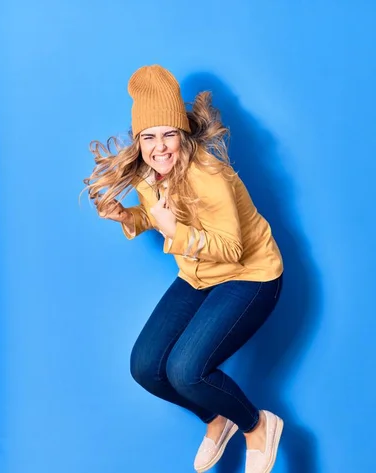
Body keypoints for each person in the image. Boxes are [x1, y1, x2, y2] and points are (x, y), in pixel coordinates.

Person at [83, 65, 284, 473]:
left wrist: (177, 230)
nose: (160, 147)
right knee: (146, 367)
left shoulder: (209, 175)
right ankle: (217, 417)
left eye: (169, 134)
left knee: (187, 372)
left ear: (183, 134)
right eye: (149, 136)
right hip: (198, 275)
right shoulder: (148, 172)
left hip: (250, 273)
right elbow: (155, 216)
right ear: (138, 140)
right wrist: (127, 215)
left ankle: (256, 425)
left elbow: (231, 249)